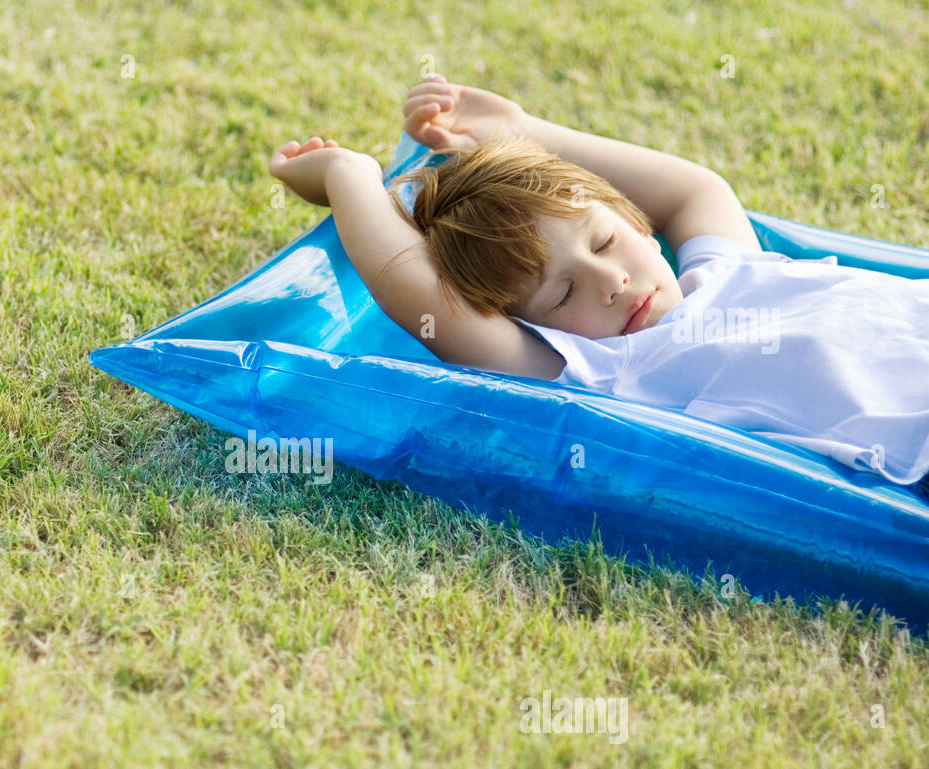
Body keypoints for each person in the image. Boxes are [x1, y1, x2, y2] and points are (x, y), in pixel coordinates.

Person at [267, 74, 929, 490]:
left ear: (636, 222)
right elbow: (421, 294)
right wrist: (345, 175)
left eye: (608, 241)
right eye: (563, 294)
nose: (610, 281)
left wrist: (521, 133)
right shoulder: (602, 368)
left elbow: (693, 187)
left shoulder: (727, 269)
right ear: (529, 325)